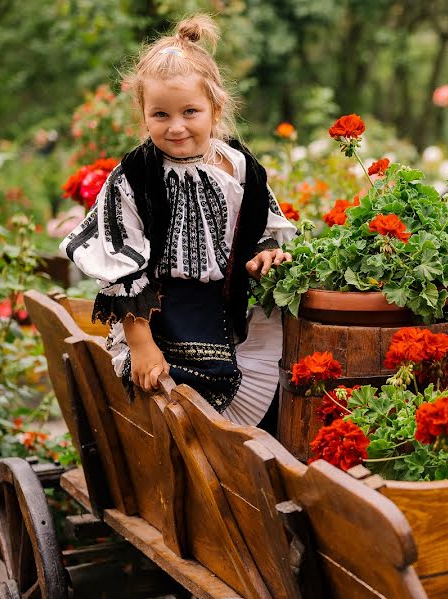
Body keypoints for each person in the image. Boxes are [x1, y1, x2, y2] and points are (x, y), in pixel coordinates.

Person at [61, 14, 294, 434]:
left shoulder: (240, 168)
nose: (177, 126)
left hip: (229, 302)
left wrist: (263, 254)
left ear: (215, 108)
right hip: (163, 310)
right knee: (202, 377)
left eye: (190, 111)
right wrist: (141, 344)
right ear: (144, 115)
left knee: (277, 368)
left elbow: (256, 227)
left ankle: (256, 465)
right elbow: (122, 268)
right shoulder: (134, 177)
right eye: (161, 114)